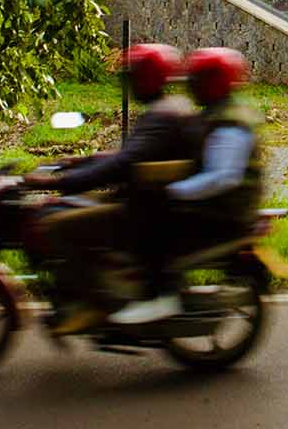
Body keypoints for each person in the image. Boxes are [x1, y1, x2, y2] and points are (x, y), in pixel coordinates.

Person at [26, 43, 192, 334]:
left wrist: (61, 182)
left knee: (57, 226)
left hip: (142, 211)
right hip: (146, 203)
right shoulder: (166, 110)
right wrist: (83, 160)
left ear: (147, 79)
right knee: (71, 210)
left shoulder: (161, 117)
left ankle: (90, 305)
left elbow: (122, 165)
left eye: (134, 77)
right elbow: (129, 156)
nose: (129, 85)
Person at [109, 45, 264, 327]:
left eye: (197, 81)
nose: (191, 88)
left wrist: (174, 192)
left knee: (150, 214)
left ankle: (160, 294)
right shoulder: (216, 112)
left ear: (212, 83)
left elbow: (222, 177)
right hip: (220, 203)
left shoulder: (231, 124)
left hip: (225, 209)